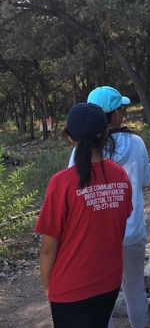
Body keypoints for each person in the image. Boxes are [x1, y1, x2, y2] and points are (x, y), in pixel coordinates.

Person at [35, 103, 133, 328]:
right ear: (106, 133)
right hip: (109, 282)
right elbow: (119, 221)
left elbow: (48, 248)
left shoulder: (62, 182)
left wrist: (48, 286)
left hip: (70, 288)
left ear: (70, 138)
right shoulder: (120, 175)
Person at [68, 86, 150, 328]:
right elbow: (144, 182)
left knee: (100, 294)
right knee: (135, 287)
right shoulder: (136, 143)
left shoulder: (79, 153)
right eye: (121, 108)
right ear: (115, 113)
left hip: (96, 236)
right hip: (132, 230)